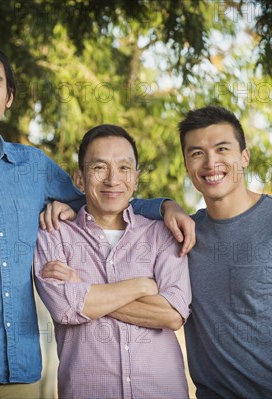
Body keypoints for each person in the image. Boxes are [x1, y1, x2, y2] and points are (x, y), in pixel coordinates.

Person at [0, 40, 195, 399]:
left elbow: (106, 195)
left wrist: (164, 206)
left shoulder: (34, 167)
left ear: (9, 96)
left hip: (21, 377)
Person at [179, 105, 272, 398]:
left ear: (244, 157)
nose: (211, 162)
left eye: (222, 149)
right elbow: (119, 204)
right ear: (187, 165)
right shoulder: (185, 234)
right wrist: (164, 204)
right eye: (197, 153)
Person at [33, 124, 192, 399]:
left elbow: (172, 314)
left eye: (124, 168)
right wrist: (143, 286)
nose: (112, 179)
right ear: (80, 180)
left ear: (136, 178)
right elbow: (65, 308)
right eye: (99, 168)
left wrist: (84, 287)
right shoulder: (53, 232)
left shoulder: (162, 233)